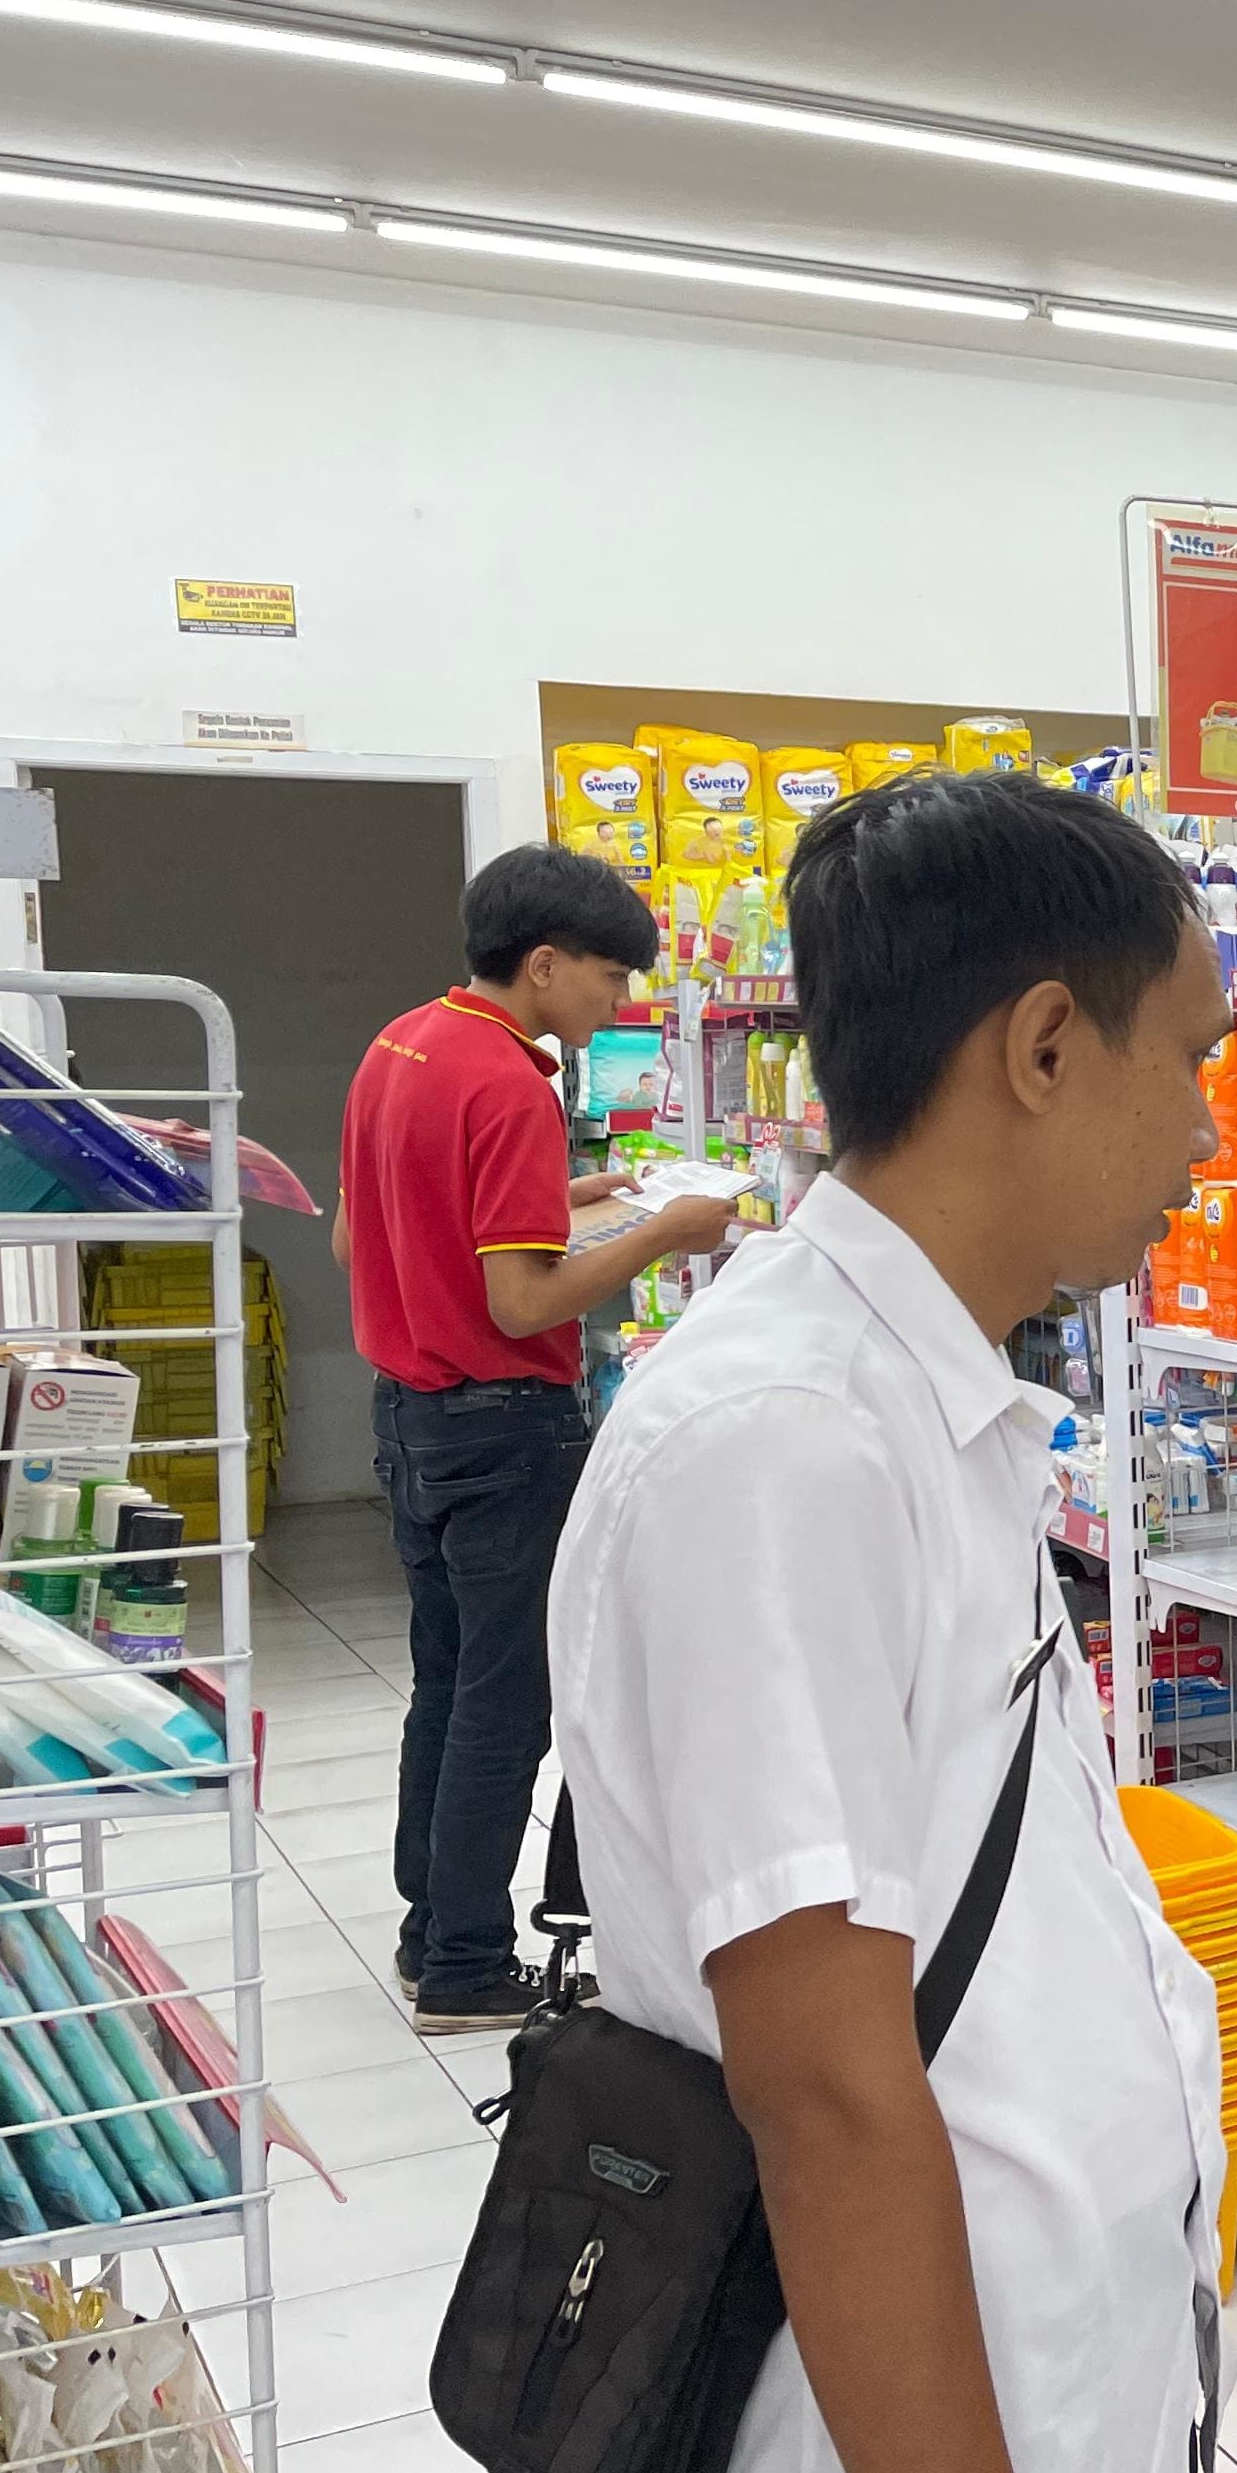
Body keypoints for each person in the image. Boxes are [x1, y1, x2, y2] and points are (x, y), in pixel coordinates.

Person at [548, 769, 1237, 2473]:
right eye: (1191, 1060)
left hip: (1047, 2447)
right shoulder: (784, 1445)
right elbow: (826, 2083)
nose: (1214, 1132)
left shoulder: (924, 1396)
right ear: (1042, 1046)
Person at [331, 846, 734, 2033]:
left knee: (447, 1684)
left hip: (408, 1417)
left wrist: (593, 1195)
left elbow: (378, 1238)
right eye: (610, 979)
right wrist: (672, 1236)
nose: (619, 1003)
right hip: (505, 1427)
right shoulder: (511, 1082)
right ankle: (464, 1965)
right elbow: (522, 1302)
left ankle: (427, 1928)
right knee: (511, 1705)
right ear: (545, 963)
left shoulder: (398, 1045)